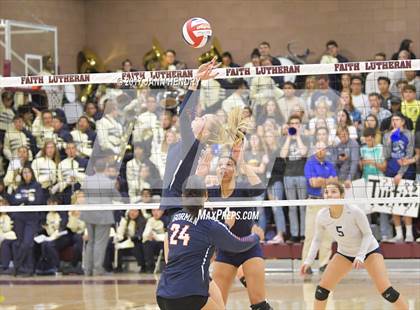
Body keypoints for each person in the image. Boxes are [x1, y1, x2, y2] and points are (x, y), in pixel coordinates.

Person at [156, 175, 262, 310]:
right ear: (206, 195)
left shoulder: (174, 219)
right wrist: (256, 236)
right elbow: (238, 245)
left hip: (163, 293)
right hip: (189, 295)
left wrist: (225, 226)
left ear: (183, 196)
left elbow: (198, 236)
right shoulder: (209, 224)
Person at [300, 181, 408, 310]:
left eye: (333, 192)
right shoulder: (322, 215)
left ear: (342, 195)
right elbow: (317, 239)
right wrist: (308, 261)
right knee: (321, 291)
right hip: (345, 254)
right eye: (326, 192)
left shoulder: (354, 211)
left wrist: (361, 256)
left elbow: (368, 234)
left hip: (369, 252)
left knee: (387, 292)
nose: (329, 195)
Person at [203, 140, 273, 310]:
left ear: (235, 171)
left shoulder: (242, 188)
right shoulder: (210, 192)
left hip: (248, 248)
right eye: (220, 165)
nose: (223, 168)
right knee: (218, 305)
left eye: (228, 164)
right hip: (225, 252)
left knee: (259, 303)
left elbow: (259, 188)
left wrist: (242, 163)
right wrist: (203, 166)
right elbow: (190, 195)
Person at [160, 57, 226, 218]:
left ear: (206, 133)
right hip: (178, 204)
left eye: (203, 119)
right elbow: (187, 113)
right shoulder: (194, 146)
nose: (198, 118)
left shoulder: (193, 145)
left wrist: (196, 79)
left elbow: (184, 114)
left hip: (177, 205)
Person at [302, 141, 337, 274]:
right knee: (310, 235)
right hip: (314, 202)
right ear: (314, 150)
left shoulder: (329, 164)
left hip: (327, 202)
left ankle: (324, 264)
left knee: (327, 235)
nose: (321, 150)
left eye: (323, 148)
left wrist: (322, 181)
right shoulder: (310, 163)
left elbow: (336, 181)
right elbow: (313, 183)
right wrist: (328, 180)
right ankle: (306, 264)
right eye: (318, 148)